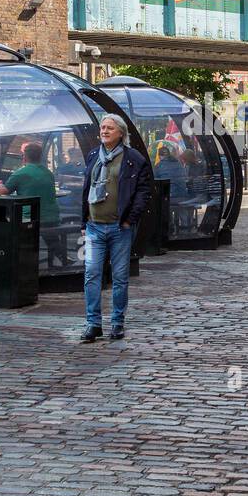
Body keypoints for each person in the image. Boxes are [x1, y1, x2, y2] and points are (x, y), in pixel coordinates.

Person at [80, 114, 153, 343]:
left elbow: (143, 192)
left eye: (110, 128)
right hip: (94, 227)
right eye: (102, 127)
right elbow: (85, 188)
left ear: (121, 133)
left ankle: (117, 323)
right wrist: (84, 221)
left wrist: (129, 220)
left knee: (120, 277)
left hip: (119, 227)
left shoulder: (134, 159)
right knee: (92, 275)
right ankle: (93, 324)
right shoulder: (94, 155)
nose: (104, 131)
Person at [0, 142, 66, 265]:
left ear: (24, 157)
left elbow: (2, 192)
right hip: (53, 217)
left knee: (8, 221)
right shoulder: (48, 173)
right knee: (42, 219)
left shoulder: (20, 173)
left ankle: (16, 260)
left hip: (31, 219)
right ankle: (60, 255)